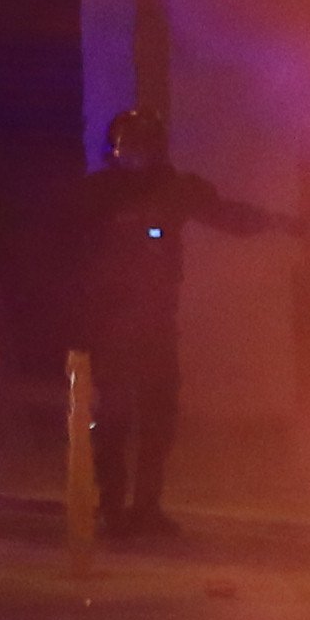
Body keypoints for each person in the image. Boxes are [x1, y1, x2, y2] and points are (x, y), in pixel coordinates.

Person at [73, 107, 279, 544]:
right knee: (111, 420)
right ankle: (111, 506)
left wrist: (278, 222)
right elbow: (60, 243)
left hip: (155, 325)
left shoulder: (175, 190)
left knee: (159, 418)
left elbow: (228, 216)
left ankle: (147, 506)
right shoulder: (96, 194)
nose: (133, 156)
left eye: (141, 147)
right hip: (110, 326)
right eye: (125, 147)